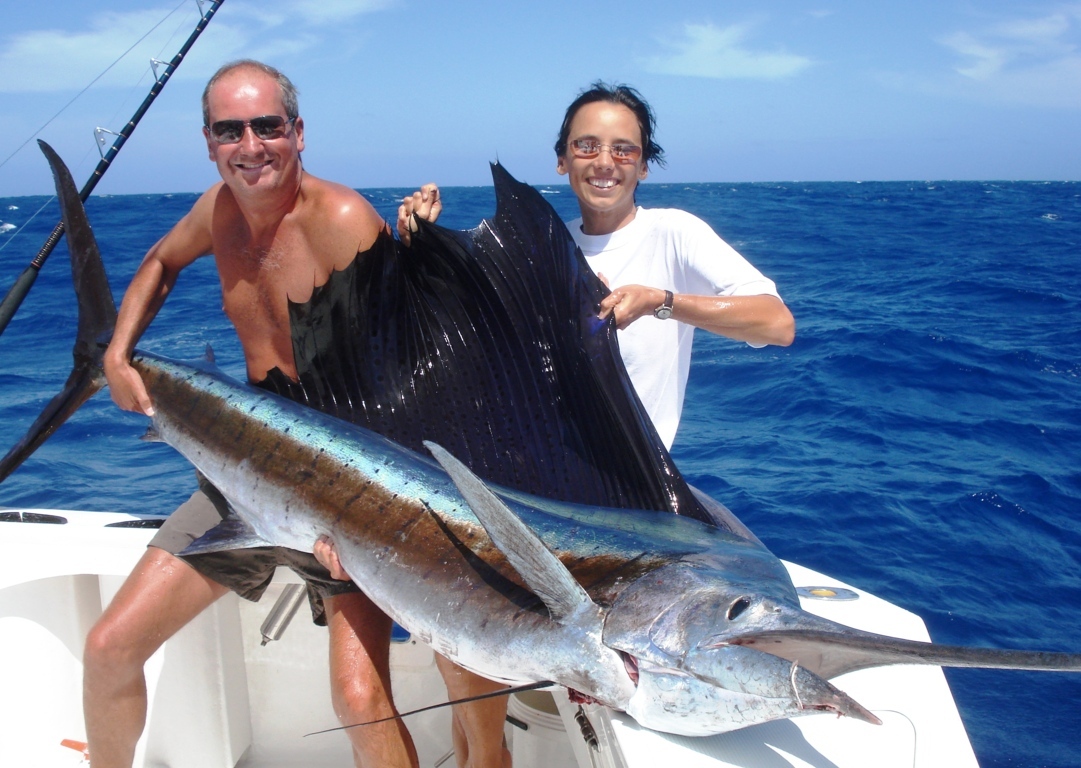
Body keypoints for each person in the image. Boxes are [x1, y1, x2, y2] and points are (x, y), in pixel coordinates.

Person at [86, 59, 441, 768]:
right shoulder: (216, 210)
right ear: (209, 141)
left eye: (267, 126)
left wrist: (419, 252)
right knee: (107, 649)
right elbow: (159, 263)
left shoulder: (340, 220)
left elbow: (413, 369)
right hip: (242, 472)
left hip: (344, 488)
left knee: (360, 699)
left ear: (298, 133)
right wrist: (118, 353)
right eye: (230, 130)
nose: (250, 146)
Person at [554, 81, 796, 449]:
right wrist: (429, 249)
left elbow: (777, 324)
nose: (604, 162)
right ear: (563, 159)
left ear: (644, 166)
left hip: (631, 488)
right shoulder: (546, 246)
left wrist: (659, 302)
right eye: (586, 146)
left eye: (623, 150)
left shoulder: (673, 232)